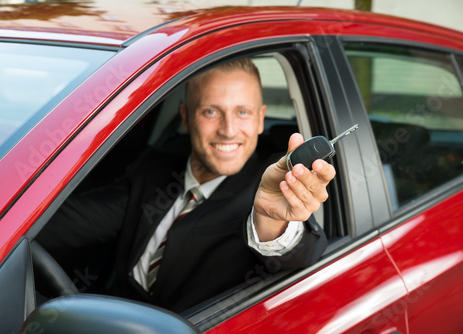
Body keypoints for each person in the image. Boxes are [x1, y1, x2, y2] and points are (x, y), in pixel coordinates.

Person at [37, 57, 336, 313]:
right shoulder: (154, 168)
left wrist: (271, 221)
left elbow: (301, 254)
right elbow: (71, 221)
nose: (228, 130)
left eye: (242, 112)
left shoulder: (269, 185)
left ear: (260, 120)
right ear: (185, 117)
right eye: (210, 111)